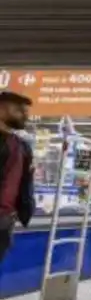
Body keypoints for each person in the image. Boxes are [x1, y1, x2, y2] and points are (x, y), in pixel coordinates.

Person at [0, 92, 34, 263]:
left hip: (5, 220)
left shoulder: (22, 146)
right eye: (19, 110)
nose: (25, 115)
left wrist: (25, 210)